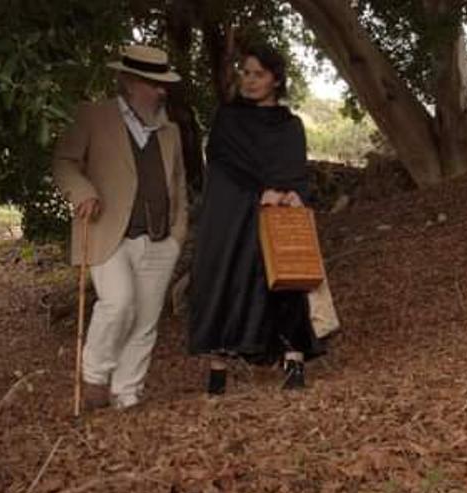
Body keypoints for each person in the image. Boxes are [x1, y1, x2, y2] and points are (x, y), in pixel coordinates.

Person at [52, 45, 189, 411]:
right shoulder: (92, 116)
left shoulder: (170, 131)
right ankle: (95, 376)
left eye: (163, 84)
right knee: (119, 303)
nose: (162, 91)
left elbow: (178, 184)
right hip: (107, 232)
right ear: (129, 82)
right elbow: (64, 162)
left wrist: (178, 234)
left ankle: (127, 394)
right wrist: (82, 191)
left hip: (161, 238)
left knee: (145, 321)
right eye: (154, 83)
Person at [187, 44, 323, 394]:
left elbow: (295, 171)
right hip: (235, 213)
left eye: (258, 74)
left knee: (286, 278)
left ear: (275, 79)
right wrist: (259, 194)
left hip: (279, 215)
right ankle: (218, 370)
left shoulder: (290, 125)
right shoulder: (228, 119)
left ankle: (293, 362)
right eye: (245, 73)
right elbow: (222, 168)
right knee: (228, 279)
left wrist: (294, 195)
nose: (249, 81)